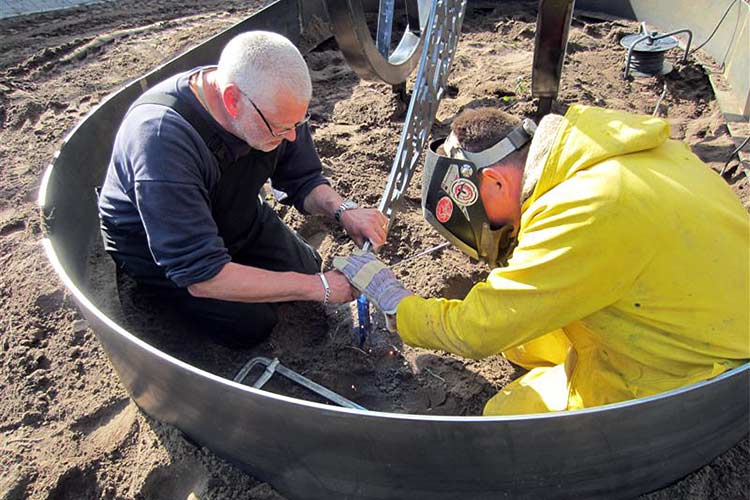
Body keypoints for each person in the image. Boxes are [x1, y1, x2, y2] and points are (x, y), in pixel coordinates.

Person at [334, 104, 749, 415]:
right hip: (697, 309)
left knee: (504, 418)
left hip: (704, 371)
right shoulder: (600, 153)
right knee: (522, 341)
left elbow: (478, 332)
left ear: (493, 181)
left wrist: (395, 300)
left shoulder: (588, 210)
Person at [98, 31, 386, 346]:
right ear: (232, 100)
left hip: (233, 213)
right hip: (158, 247)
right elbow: (201, 275)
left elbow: (302, 179)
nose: (291, 136)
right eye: (280, 128)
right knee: (251, 324)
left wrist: (342, 209)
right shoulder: (160, 139)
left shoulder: (272, 106)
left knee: (306, 267)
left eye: (297, 124)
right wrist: (320, 287)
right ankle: (163, 299)